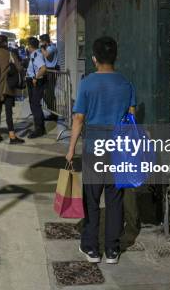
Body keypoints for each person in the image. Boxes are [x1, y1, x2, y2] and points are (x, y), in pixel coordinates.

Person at [66, 36, 136, 265]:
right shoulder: (126, 84)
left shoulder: (87, 83)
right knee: (115, 200)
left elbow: (78, 118)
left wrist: (70, 149)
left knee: (92, 199)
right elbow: (131, 117)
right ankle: (113, 250)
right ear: (115, 57)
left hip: (93, 148)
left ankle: (91, 249)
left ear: (94, 59)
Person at [0, 35, 25, 144]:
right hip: (7, 87)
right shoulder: (10, 53)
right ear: (6, 42)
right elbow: (19, 68)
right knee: (8, 111)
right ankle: (12, 136)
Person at [25, 36, 47, 138]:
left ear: (30, 46)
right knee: (34, 105)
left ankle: (39, 129)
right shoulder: (34, 54)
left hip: (36, 82)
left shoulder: (36, 55)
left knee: (35, 105)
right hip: (33, 81)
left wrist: (35, 77)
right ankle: (40, 128)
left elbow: (43, 68)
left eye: (27, 45)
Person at [39, 34, 60, 121]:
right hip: (47, 71)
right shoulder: (46, 48)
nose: (40, 43)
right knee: (46, 93)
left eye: (41, 41)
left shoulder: (51, 48)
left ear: (45, 41)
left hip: (52, 71)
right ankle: (52, 111)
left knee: (50, 93)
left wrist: (42, 48)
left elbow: (46, 55)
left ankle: (54, 114)